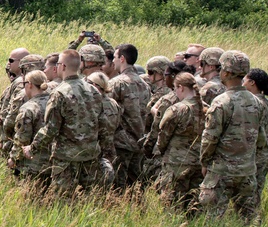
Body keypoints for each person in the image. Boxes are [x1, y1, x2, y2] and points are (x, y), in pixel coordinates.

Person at [23, 49, 104, 197]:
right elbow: (102, 123)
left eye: (58, 64)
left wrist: (32, 148)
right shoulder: (94, 90)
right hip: (91, 155)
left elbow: (51, 128)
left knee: (63, 202)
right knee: (89, 200)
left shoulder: (59, 93)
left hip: (66, 158)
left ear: (63, 67)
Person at [199, 50, 261, 223]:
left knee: (213, 219)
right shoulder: (256, 101)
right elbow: (261, 138)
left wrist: (204, 162)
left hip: (221, 170)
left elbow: (210, 138)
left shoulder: (221, 102)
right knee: (248, 220)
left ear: (225, 72)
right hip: (247, 169)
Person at [153, 72, 205, 215]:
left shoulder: (177, 109)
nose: (175, 92)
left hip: (176, 164)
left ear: (181, 88)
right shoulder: (206, 108)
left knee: (172, 206)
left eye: (175, 88)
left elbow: (163, 137)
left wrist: (161, 151)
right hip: (199, 163)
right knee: (194, 207)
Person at [108, 43, 151, 187]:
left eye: (114, 57)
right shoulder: (144, 84)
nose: (112, 60)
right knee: (135, 184)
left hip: (121, 142)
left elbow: (107, 110)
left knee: (118, 185)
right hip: (139, 141)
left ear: (122, 58)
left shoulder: (117, 83)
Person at [8, 70, 52, 188]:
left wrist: (13, 157)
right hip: (54, 161)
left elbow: (23, 138)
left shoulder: (28, 108)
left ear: (30, 84)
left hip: (33, 162)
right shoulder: (53, 103)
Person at [0, 53, 42, 157]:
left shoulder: (23, 91)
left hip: (21, 144)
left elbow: (10, 122)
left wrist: (5, 138)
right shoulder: (49, 88)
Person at [0, 48, 30, 156]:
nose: (8, 63)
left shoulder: (21, 83)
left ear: (21, 62)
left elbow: (12, 112)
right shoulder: (18, 82)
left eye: (11, 60)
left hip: (14, 138)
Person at [243, 68, 268, 206]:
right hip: (265, 152)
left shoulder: (254, 104)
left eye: (245, 80)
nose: (242, 83)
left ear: (252, 82)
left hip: (255, 154)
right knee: (256, 191)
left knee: (249, 194)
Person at [85, 71, 118, 172]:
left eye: (87, 81)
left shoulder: (94, 103)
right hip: (111, 148)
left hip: (97, 150)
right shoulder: (113, 103)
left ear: (94, 85)